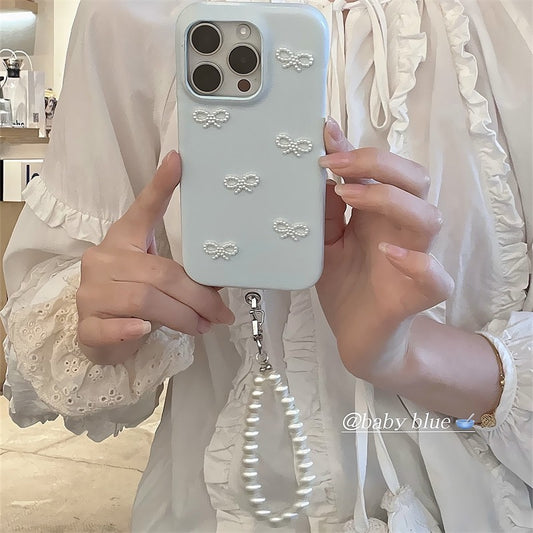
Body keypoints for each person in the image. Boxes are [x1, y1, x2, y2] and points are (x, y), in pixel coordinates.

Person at [1, 0, 531, 531]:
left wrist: (409, 355)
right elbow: (56, 319)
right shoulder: (134, 14)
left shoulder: (506, 19)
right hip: (216, 507)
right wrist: (105, 323)